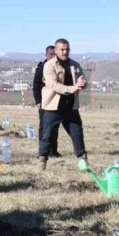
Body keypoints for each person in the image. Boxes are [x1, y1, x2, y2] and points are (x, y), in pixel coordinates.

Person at [38, 39, 87, 168]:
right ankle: (42, 161)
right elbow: (53, 84)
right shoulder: (49, 65)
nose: (65, 52)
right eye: (62, 49)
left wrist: (82, 83)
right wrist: (73, 88)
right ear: (55, 50)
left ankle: (84, 162)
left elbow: (82, 80)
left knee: (77, 135)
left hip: (71, 107)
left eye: (67, 49)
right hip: (53, 106)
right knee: (47, 135)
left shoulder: (75, 65)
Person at [32, 45, 58, 156]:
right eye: (51, 54)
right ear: (46, 55)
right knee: (44, 127)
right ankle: (43, 152)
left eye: (54, 54)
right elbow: (36, 85)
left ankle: (53, 151)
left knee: (55, 127)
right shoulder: (41, 68)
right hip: (44, 102)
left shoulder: (58, 67)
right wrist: (38, 101)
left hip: (56, 102)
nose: (53, 56)